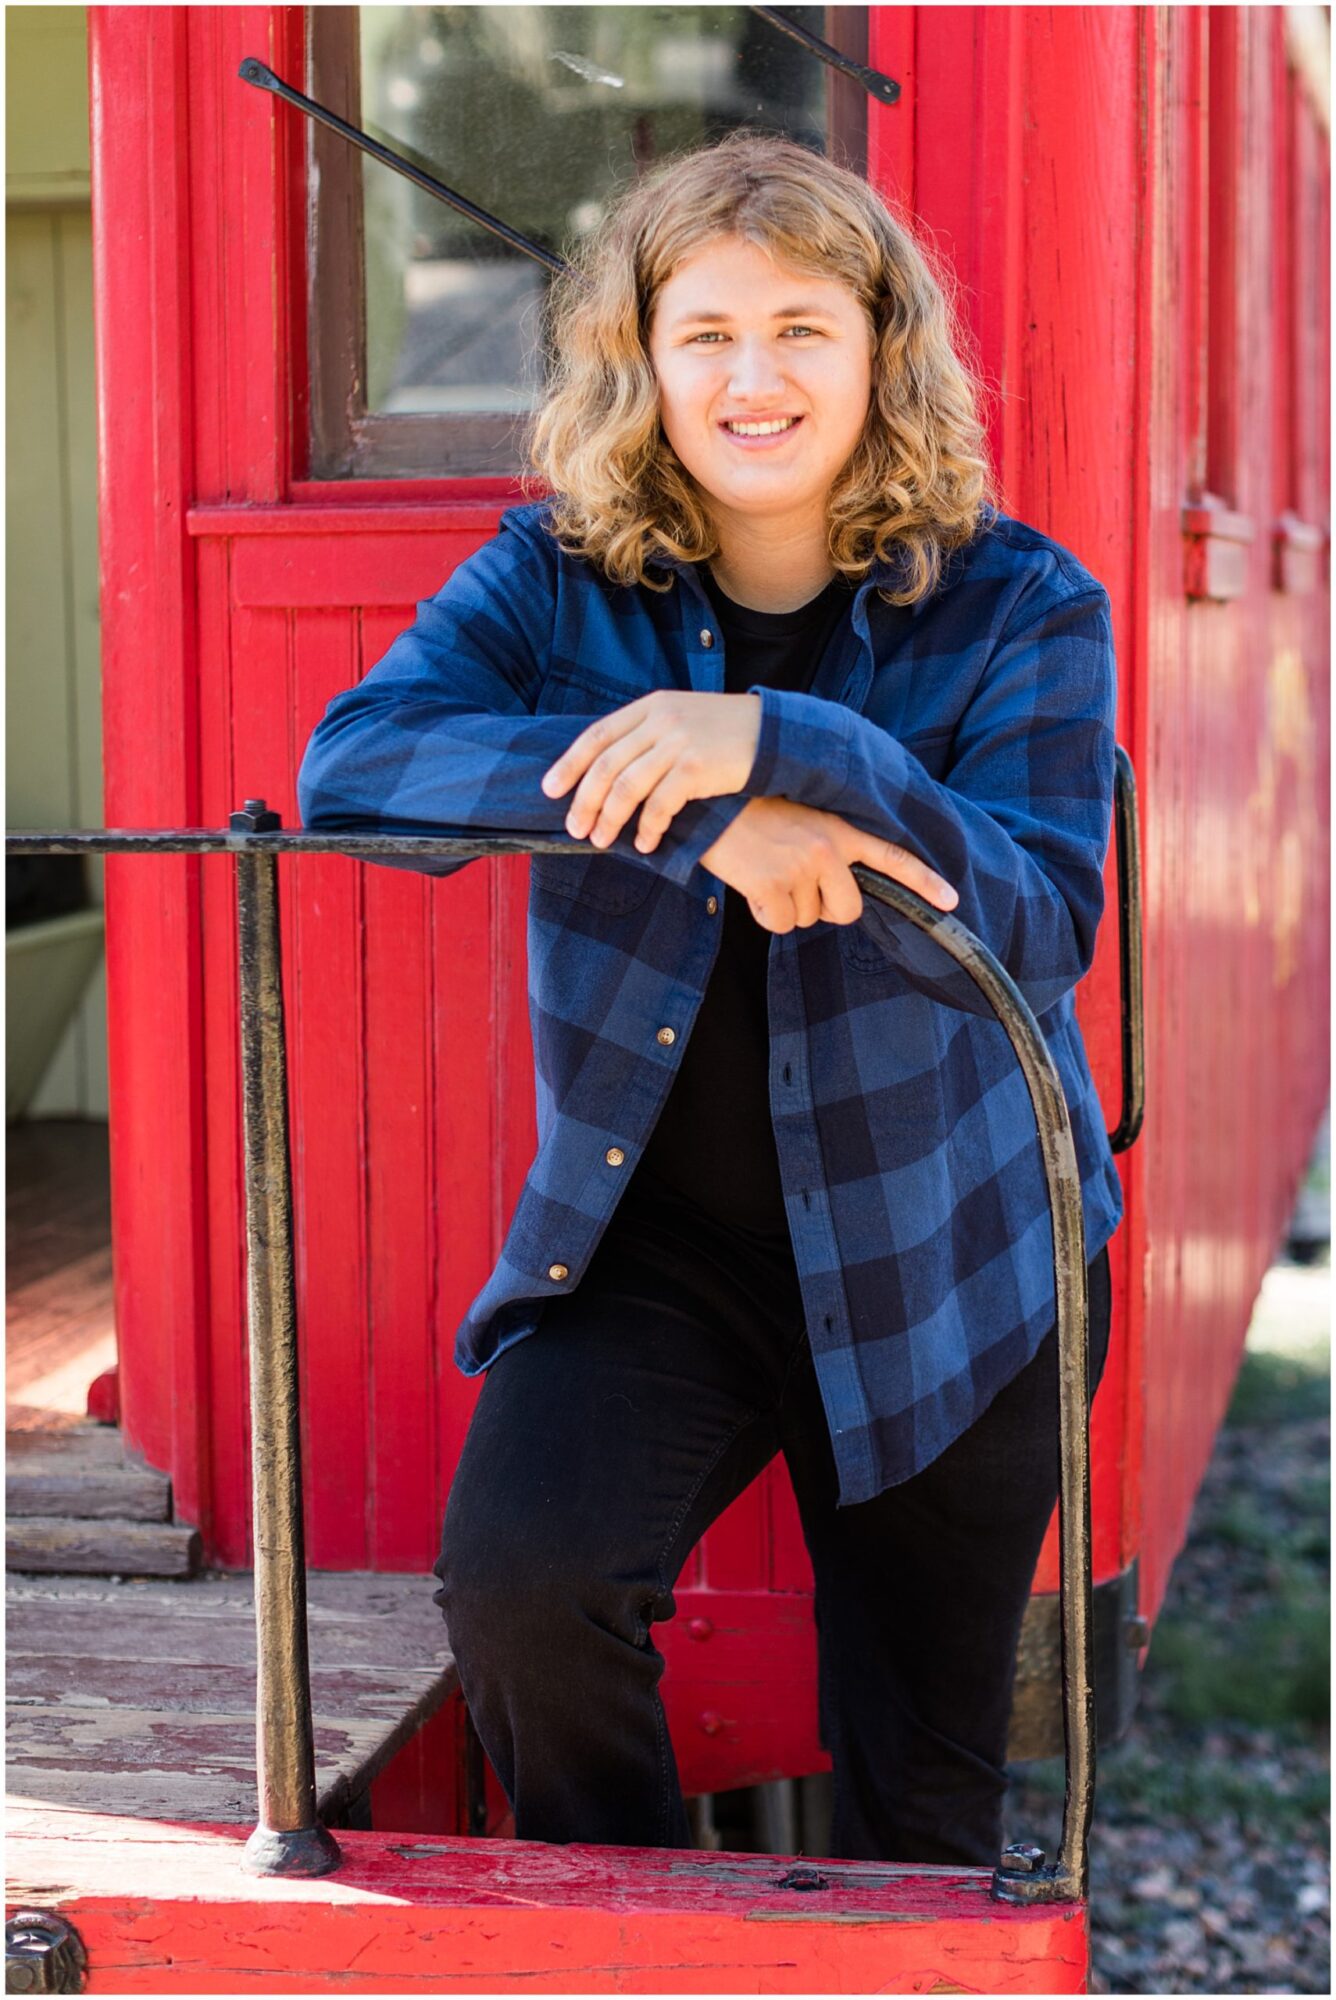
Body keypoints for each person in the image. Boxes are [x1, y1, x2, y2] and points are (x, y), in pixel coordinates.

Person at [297, 131, 1121, 1867]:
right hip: (657, 1245)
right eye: (708, 334)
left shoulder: (1019, 601)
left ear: (884, 352)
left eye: (805, 329)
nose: (756, 378)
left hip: (953, 1242)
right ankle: (649, 1944)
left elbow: (1042, 917)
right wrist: (712, 817)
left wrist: (791, 738)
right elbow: (357, 766)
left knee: (921, 1771)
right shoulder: (555, 576)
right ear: (643, 361)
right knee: (522, 1589)